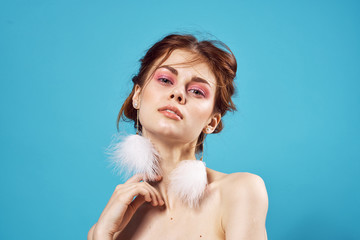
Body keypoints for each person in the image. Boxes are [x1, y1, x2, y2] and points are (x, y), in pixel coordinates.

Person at [88, 34, 268, 240]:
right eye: (165, 80)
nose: (178, 93)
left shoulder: (240, 191)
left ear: (212, 122)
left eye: (197, 91)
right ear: (136, 95)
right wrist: (102, 235)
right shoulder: (110, 228)